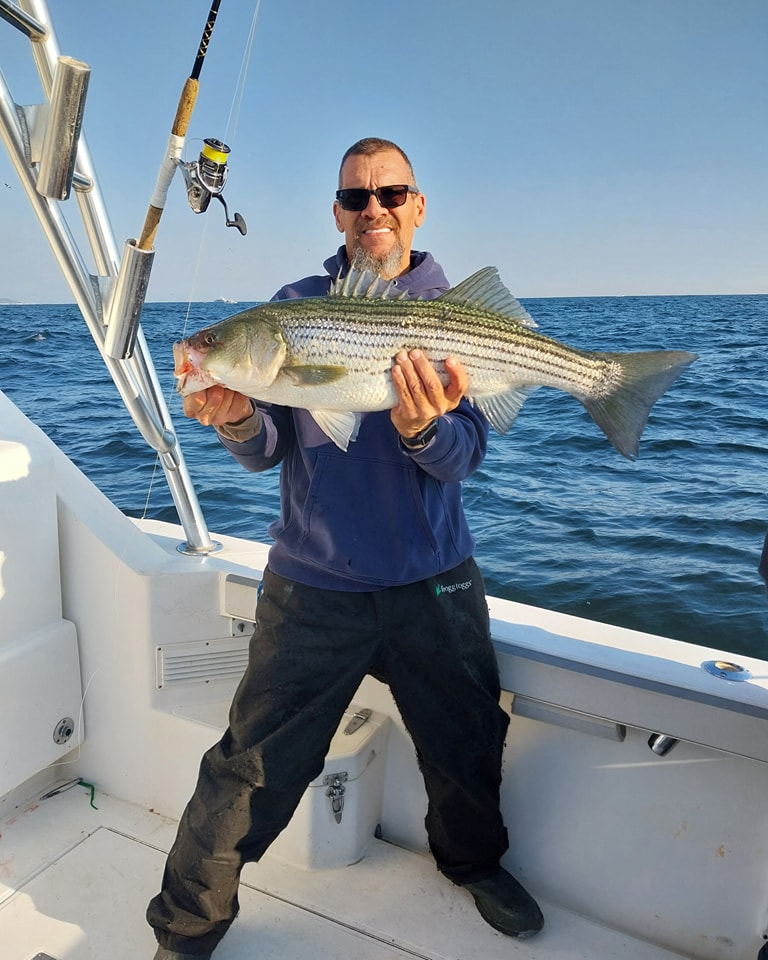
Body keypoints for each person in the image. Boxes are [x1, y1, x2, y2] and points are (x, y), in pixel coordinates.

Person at [147, 137, 544, 959]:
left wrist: (423, 429)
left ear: (418, 205)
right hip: (312, 583)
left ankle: (474, 866)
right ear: (337, 212)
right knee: (250, 766)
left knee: (467, 738)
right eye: (357, 199)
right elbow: (267, 450)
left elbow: (464, 457)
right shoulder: (293, 306)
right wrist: (232, 415)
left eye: (391, 194)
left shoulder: (454, 314)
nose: (375, 211)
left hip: (433, 579)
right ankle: (186, 928)